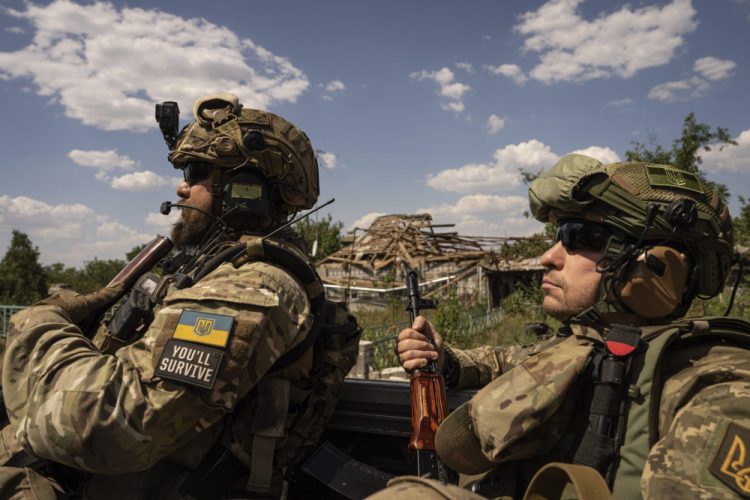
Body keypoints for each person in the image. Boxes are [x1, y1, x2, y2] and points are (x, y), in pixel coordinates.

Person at [0, 93, 361, 499]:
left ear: (246, 188)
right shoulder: (216, 271)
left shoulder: (252, 286)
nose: (181, 186)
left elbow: (103, 428)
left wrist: (40, 323)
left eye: (196, 171)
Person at [380, 154, 750, 499]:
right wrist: (444, 360)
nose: (548, 257)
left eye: (579, 238)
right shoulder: (586, 344)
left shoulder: (719, 388)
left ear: (657, 263)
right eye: (557, 237)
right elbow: (510, 360)